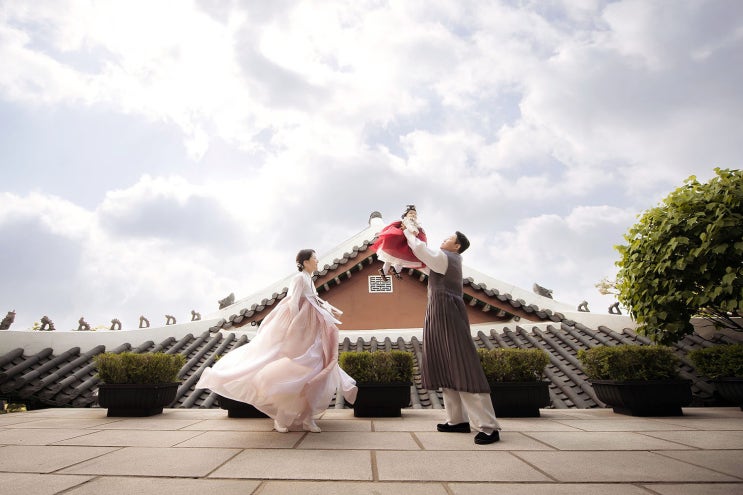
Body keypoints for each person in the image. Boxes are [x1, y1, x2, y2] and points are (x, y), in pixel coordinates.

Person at [195, 249, 357, 433]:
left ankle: (307, 418)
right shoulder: (299, 278)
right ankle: (281, 418)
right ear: (305, 262)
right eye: (314, 258)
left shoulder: (309, 280)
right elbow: (293, 303)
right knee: (293, 375)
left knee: (316, 371)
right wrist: (294, 328)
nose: (317, 260)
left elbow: (314, 303)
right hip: (302, 331)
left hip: (314, 332)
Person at [403, 228, 502, 444]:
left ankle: (488, 427)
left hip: (448, 315)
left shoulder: (446, 258)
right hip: (438, 315)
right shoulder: (444, 260)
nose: (444, 239)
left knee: (464, 367)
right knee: (445, 366)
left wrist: (410, 232)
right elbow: (418, 261)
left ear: (457, 246)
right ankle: (457, 420)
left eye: (449, 238)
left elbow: (420, 250)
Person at [371, 205, 427, 281]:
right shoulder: (407, 221)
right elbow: (410, 227)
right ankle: (389, 270)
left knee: (399, 258)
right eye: (411, 213)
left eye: (415, 214)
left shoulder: (415, 223)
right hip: (401, 240)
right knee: (396, 257)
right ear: (406, 215)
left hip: (405, 242)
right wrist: (414, 231)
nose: (413, 215)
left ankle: (389, 270)